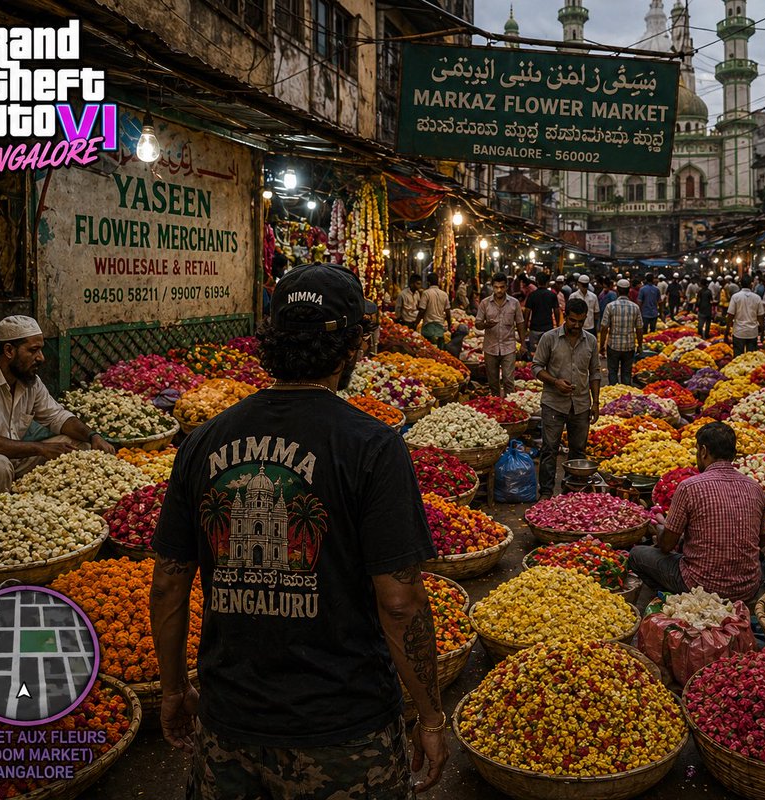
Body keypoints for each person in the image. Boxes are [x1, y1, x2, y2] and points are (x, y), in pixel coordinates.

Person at [149, 263, 448, 797]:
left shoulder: (203, 439)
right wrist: (429, 716)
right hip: (345, 730)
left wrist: (173, 690)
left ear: (272, 343)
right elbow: (399, 602)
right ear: (353, 346)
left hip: (228, 722)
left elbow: (170, 581)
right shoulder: (372, 446)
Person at [0, 316, 116, 499]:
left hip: (9, 460)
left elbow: (58, 416)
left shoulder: (29, 382)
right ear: (9, 350)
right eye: (33, 350)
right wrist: (39, 449)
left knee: (77, 444)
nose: (41, 358)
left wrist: (93, 435)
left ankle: (61, 506)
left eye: (41, 350)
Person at [628, 422, 765, 604]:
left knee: (637, 555)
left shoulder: (690, 486)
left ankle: (677, 600)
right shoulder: (755, 488)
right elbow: (762, 541)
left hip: (701, 585)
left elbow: (667, 546)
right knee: (762, 561)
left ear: (703, 451)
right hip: (747, 588)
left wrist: (660, 531)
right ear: (733, 454)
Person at [534, 299, 601, 498]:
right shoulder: (550, 338)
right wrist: (555, 382)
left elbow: (595, 372)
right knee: (549, 449)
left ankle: (571, 492)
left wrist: (595, 402)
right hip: (553, 403)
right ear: (565, 315)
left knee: (578, 451)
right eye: (573, 320)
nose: (577, 325)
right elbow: (536, 367)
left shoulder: (590, 341)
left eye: (581, 321)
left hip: (580, 404)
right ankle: (546, 492)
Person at [476, 273, 527, 397]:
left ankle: (509, 405)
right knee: (493, 382)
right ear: (492, 287)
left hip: (508, 347)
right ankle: (497, 406)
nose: (499, 290)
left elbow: (520, 323)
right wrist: (486, 325)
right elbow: (477, 324)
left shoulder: (514, 303)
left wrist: (523, 344)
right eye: (496, 287)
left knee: (508, 380)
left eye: (502, 287)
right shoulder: (485, 303)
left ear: (506, 287)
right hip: (490, 347)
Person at [600, 280, 644, 386]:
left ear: (617, 291)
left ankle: (614, 393)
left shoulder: (610, 306)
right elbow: (639, 328)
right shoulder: (635, 307)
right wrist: (640, 345)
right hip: (629, 346)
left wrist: (601, 345)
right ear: (629, 291)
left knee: (613, 372)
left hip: (613, 346)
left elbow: (604, 328)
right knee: (626, 373)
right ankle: (626, 396)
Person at [412, 273, 452, 348]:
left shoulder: (426, 293)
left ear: (428, 282)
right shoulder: (444, 294)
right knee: (440, 353)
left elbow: (422, 310)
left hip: (428, 327)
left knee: (429, 350)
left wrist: (416, 323)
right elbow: (448, 312)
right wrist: (449, 325)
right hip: (440, 328)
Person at [725, 281, 764, 356]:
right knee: (751, 358)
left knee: (738, 358)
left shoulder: (735, 297)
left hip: (739, 332)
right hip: (752, 333)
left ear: (740, 284)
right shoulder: (757, 298)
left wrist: (726, 333)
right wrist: (762, 333)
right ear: (751, 284)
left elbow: (730, 316)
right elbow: (761, 317)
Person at [524, 272, 560, 352]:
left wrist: (525, 327)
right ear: (547, 282)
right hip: (548, 328)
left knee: (534, 353)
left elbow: (527, 313)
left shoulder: (532, 295)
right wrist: (557, 325)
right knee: (547, 352)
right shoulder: (552, 295)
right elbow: (557, 311)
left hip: (534, 329)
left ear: (537, 282)